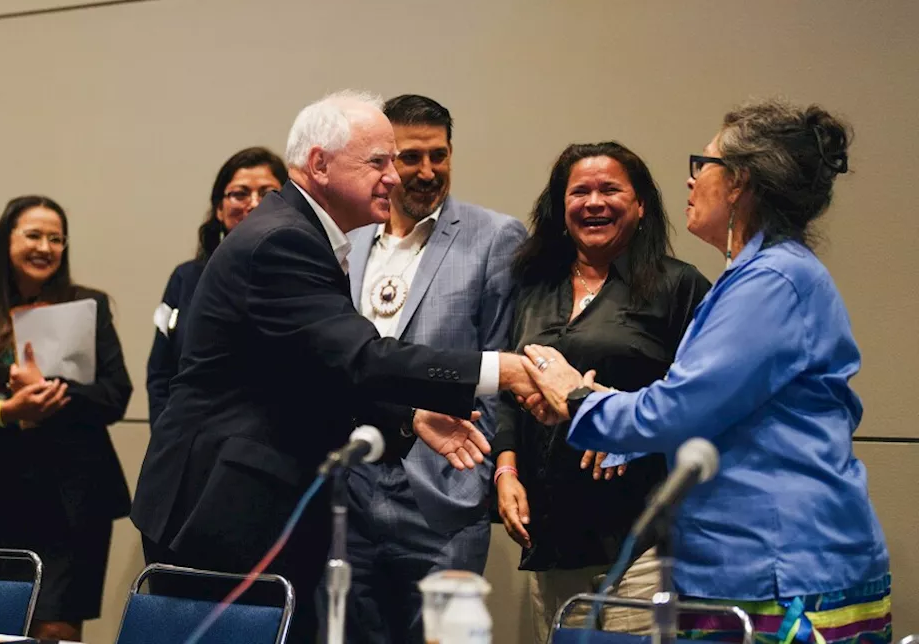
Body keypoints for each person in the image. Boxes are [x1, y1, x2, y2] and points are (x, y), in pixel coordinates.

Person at [130, 90, 537, 640]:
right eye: (378, 162)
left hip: (243, 502)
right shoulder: (283, 241)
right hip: (222, 508)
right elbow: (363, 357)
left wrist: (408, 416)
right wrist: (502, 370)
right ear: (319, 163)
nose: (393, 177)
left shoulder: (303, 233)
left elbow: (313, 369)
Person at [521, 100, 892, 642]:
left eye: (705, 163)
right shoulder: (753, 277)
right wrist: (616, 425)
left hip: (781, 568)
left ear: (739, 183)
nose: (691, 181)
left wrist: (578, 396)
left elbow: (680, 408)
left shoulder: (773, 281)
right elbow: (711, 409)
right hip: (745, 564)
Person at [490, 142, 710, 641]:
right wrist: (505, 470)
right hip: (551, 533)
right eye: (579, 191)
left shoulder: (680, 287)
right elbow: (508, 391)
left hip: (642, 538)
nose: (594, 202)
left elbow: (701, 403)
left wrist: (617, 417)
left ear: (640, 205)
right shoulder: (531, 286)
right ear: (559, 206)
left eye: (610, 189)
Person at [333, 94, 526, 642]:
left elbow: (500, 367)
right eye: (410, 157)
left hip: (443, 493)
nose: (425, 172)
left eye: (438, 156)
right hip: (350, 489)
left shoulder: (495, 238)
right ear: (383, 161)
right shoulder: (347, 241)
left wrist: (474, 476)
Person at [0, 195, 132, 642]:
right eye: (34, 235)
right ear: (6, 241)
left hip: (71, 503)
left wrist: (53, 393)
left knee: (54, 630)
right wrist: (7, 411)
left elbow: (116, 395)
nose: (46, 247)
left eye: (56, 239)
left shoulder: (89, 307)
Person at [146, 147, 287, 422]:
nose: (255, 204)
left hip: (270, 447)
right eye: (240, 194)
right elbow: (160, 374)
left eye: (268, 194)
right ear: (220, 210)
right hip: (190, 442)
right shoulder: (185, 279)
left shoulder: (304, 277)